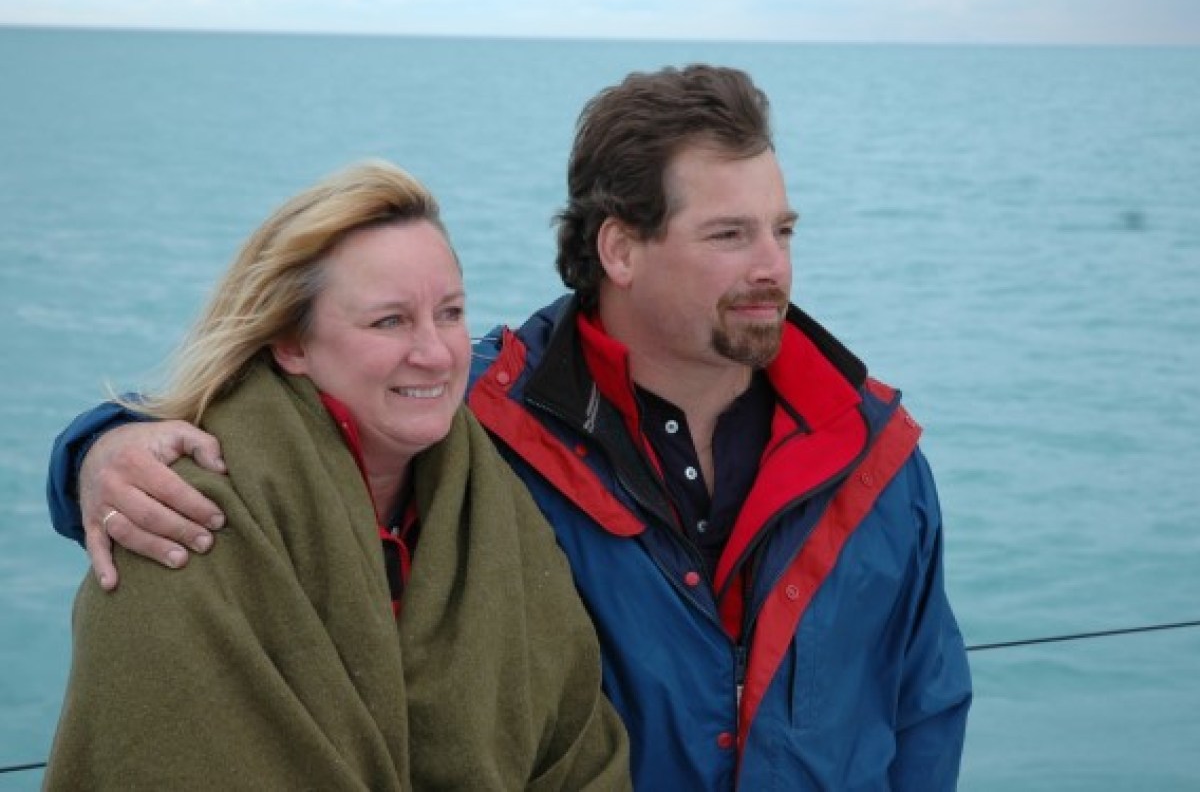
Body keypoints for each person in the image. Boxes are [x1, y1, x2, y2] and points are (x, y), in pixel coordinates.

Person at [47, 65, 972, 789]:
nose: (774, 264)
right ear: (620, 248)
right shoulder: (478, 416)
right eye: (730, 235)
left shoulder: (876, 457)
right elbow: (285, 417)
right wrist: (97, 449)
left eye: (784, 229)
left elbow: (926, 709)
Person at [43, 161, 631, 790]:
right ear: (293, 342)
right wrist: (93, 448)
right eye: (390, 321)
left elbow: (579, 751)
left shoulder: (496, 509)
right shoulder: (176, 517)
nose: (435, 351)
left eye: (452, 313)